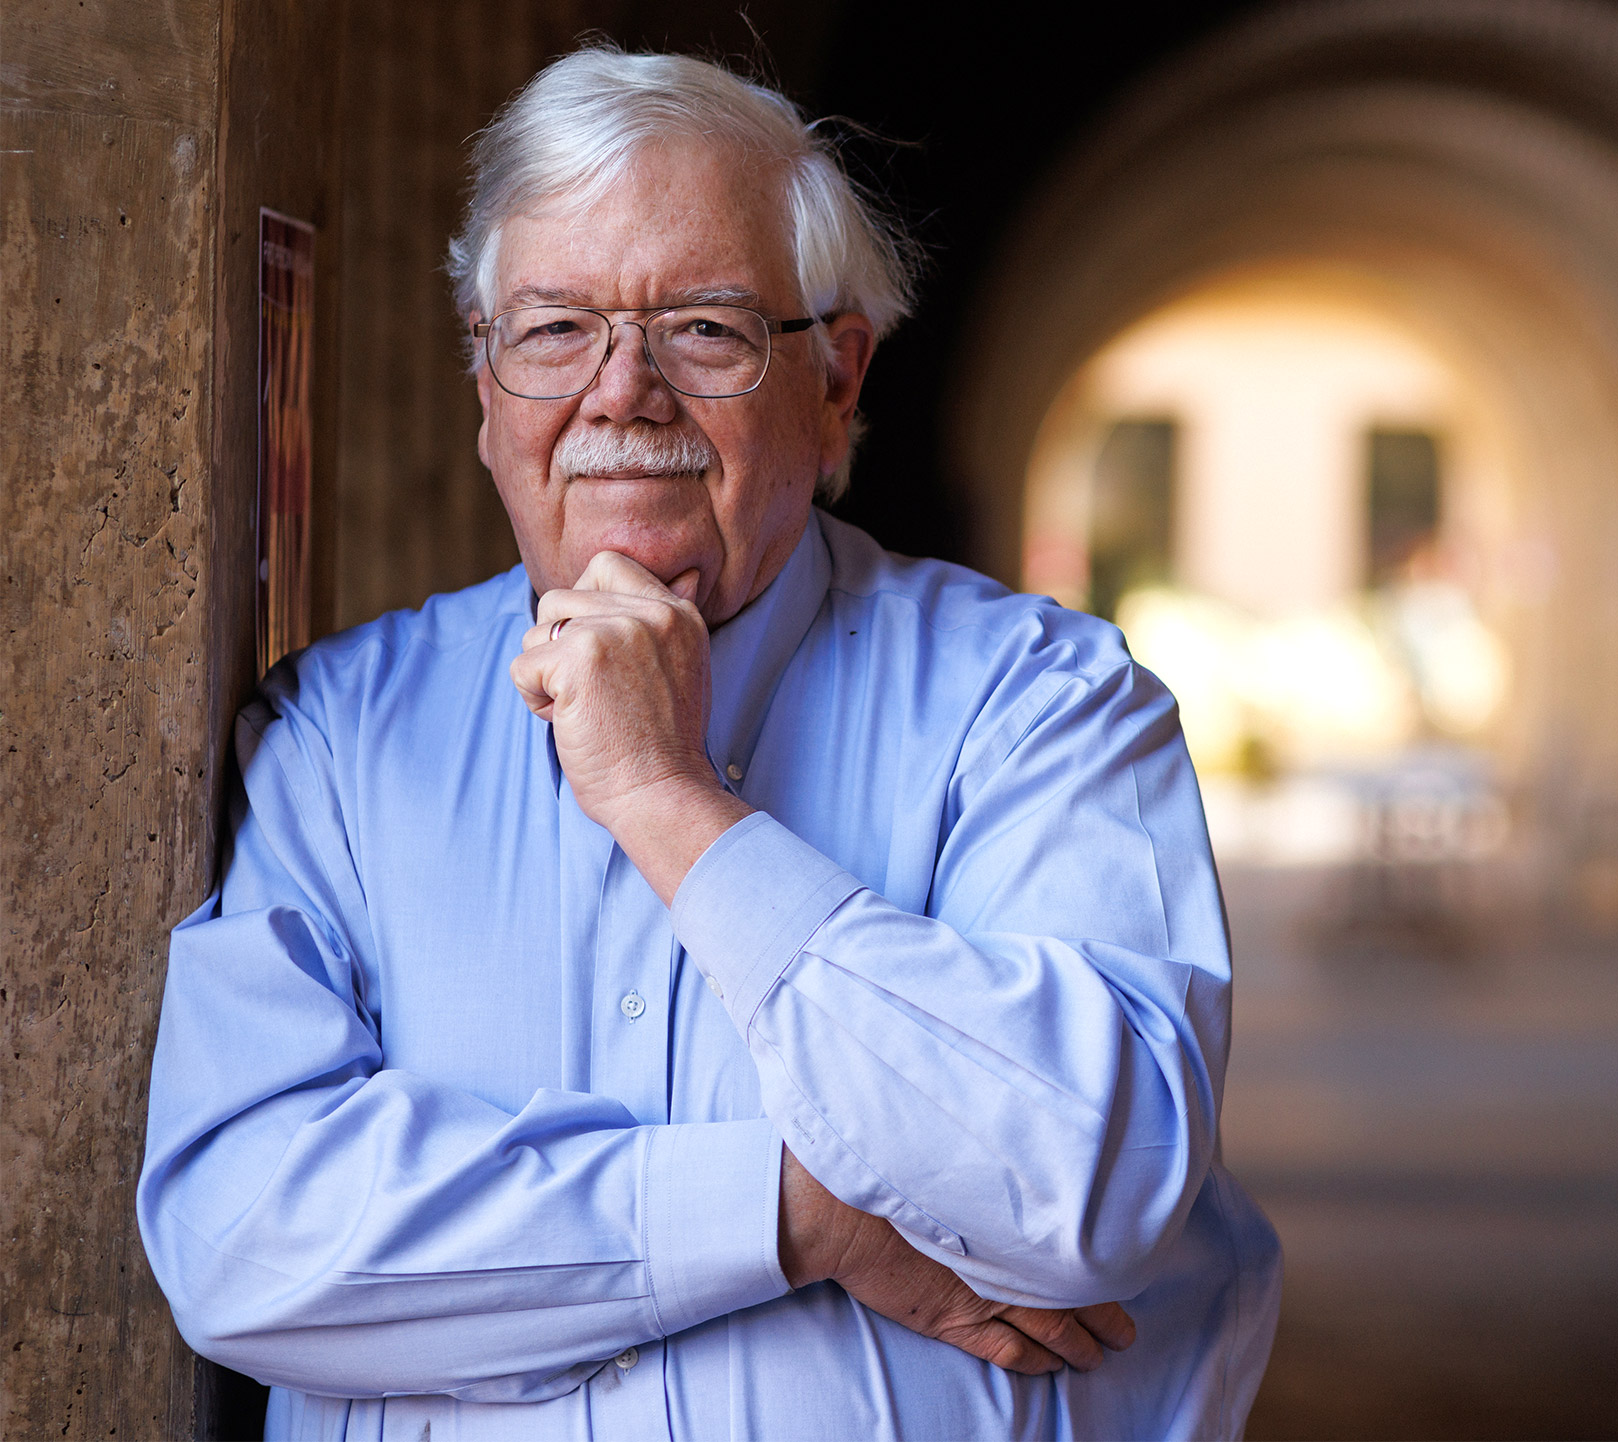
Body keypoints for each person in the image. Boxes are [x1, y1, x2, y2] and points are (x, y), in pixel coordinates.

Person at [137, 46, 1281, 1442]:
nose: (623, 393)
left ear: (836, 380)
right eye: (555, 330)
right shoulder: (338, 736)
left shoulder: (1046, 704)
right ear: (484, 388)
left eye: (707, 329)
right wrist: (802, 1215)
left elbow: (1087, 1180)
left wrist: (667, 799)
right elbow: (245, 1238)